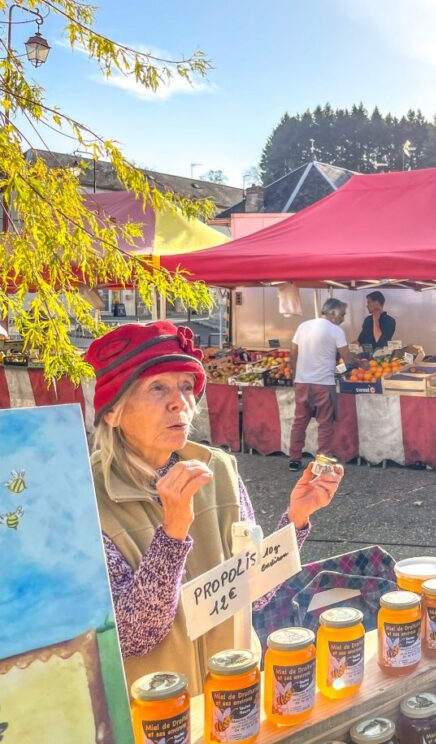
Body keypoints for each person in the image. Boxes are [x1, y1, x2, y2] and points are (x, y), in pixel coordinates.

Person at [85, 321, 342, 695]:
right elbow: (131, 636)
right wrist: (172, 535)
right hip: (158, 706)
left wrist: (296, 520)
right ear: (113, 412)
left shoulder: (217, 468)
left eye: (186, 386)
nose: (180, 402)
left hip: (235, 688)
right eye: (157, 387)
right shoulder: (89, 497)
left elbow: (252, 593)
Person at [288, 298, 348, 471]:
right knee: (325, 423)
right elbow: (347, 358)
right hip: (323, 383)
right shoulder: (336, 330)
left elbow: (293, 353)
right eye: (342, 315)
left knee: (300, 421)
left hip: (302, 382)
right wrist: (360, 363)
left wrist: (297, 374)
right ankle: (323, 460)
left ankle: (294, 459)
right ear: (333, 312)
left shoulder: (303, 326)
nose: (343, 318)